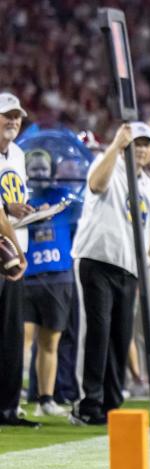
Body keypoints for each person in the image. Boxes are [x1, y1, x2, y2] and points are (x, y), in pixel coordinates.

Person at [70, 118, 150, 425]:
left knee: (121, 336)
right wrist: (116, 145)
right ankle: (89, 403)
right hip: (97, 259)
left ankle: (112, 402)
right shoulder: (108, 163)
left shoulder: (149, 188)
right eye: (137, 143)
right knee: (98, 332)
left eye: (146, 144)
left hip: (129, 268)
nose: (141, 150)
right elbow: (96, 185)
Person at [0, 92, 33, 427]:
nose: (13, 121)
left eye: (17, 117)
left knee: (11, 334)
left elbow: (14, 201)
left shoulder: (19, 154)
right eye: (6, 116)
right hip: (9, 250)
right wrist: (20, 252)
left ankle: (8, 408)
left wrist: (26, 211)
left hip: (10, 251)